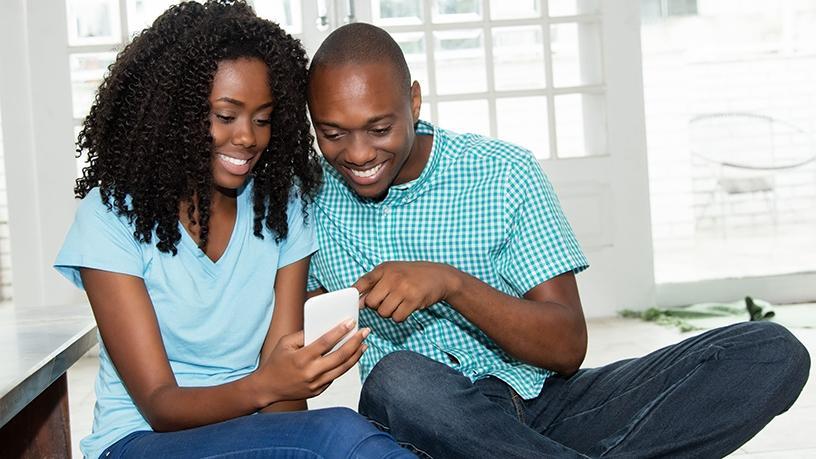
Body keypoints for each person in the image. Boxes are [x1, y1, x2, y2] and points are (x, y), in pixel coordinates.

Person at [305, 22, 811, 458]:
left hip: (547, 403)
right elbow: (296, 328)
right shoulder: (307, 198)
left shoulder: (502, 174)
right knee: (396, 378)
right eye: (333, 134)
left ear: (413, 102)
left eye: (379, 129)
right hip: (428, 423)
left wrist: (452, 285)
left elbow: (567, 346)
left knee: (770, 351)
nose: (358, 153)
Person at [54, 3, 415, 458]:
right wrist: (267, 385)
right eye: (226, 117)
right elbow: (160, 405)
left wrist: (295, 380)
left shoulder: (281, 207)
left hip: (249, 434)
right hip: (139, 442)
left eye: (262, 119)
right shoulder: (112, 217)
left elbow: (284, 407)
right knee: (342, 434)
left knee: (340, 434)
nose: (248, 137)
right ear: (176, 114)